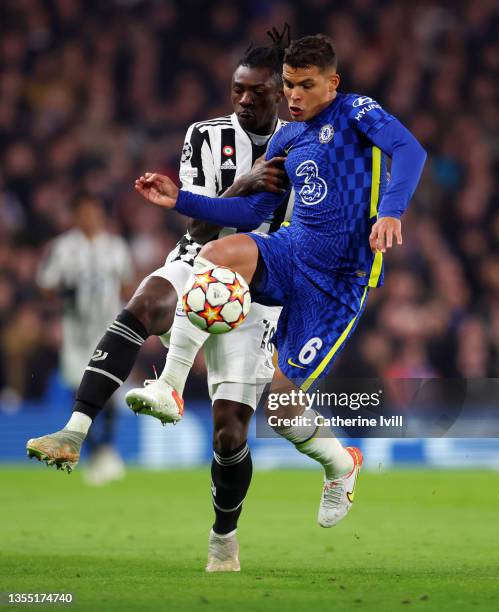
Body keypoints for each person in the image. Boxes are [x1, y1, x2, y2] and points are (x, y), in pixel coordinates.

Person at [133, 33, 427, 565]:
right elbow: (251, 214)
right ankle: (170, 387)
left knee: (280, 405)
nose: (293, 95)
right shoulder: (287, 139)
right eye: (288, 84)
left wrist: (392, 211)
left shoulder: (358, 111)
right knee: (218, 253)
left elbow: (410, 149)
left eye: (306, 85)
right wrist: (182, 199)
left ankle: (340, 464)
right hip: (290, 250)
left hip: (338, 280)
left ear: (331, 83)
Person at [26, 33, 292, 571]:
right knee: (146, 300)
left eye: (255, 93)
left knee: (230, 432)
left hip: (260, 289)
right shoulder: (205, 135)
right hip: (198, 258)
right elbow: (197, 222)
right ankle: (75, 433)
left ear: (278, 96)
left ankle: (224, 535)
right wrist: (243, 184)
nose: (243, 101)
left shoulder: (302, 143)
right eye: (237, 90)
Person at [37, 193, 132, 484]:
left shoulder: (115, 247)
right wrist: (64, 294)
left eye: (94, 212)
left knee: (109, 391)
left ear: (101, 215)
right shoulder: (63, 248)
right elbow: (46, 286)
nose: (89, 217)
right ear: (76, 216)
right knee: (80, 393)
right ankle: (94, 453)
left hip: (108, 331)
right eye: (84, 212)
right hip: (76, 334)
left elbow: (128, 287)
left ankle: (106, 449)